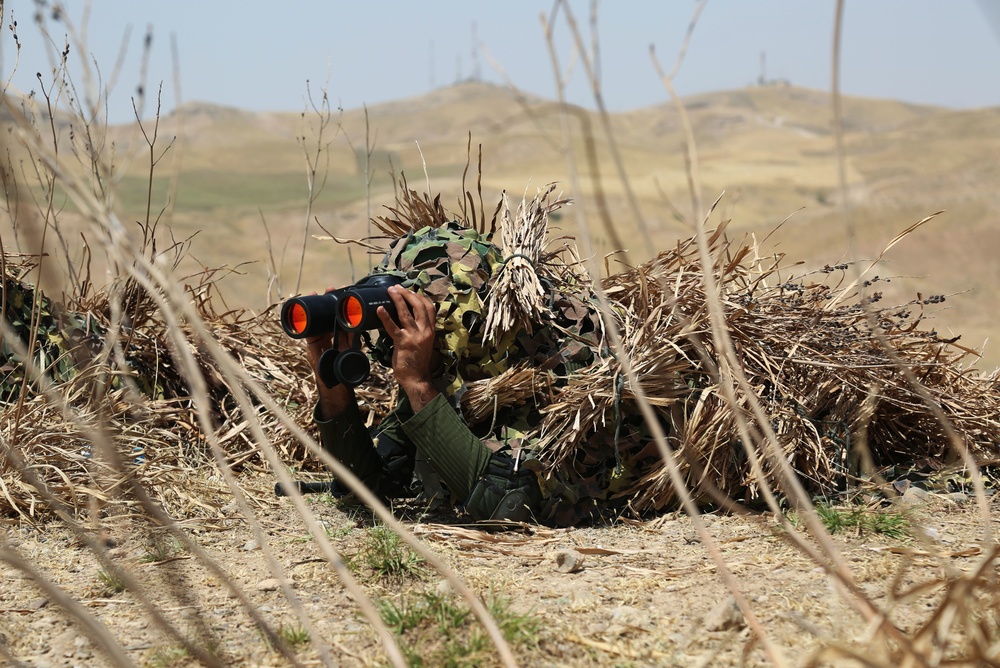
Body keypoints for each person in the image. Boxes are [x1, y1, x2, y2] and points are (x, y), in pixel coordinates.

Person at [305, 282, 544, 522]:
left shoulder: (532, 380)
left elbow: (505, 504)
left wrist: (418, 381)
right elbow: (364, 485)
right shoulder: (440, 381)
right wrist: (332, 383)